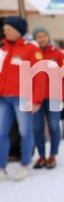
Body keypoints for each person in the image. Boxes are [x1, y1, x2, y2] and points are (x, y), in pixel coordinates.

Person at [0, 16, 46, 182]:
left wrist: (36, 100)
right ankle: (2, 168)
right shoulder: (2, 48)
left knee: (25, 131)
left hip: (23, 97)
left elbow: (40, 76)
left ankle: (25, 165)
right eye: (4, 29)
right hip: (3, 98)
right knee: (1, 132)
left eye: (8, 29)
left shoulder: (31, 49)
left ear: (18, 30)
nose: (5, 32)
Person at [31, 27, 64, 169]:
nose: (42, 39)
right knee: (37, 127)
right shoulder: (32, 54)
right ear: (35, 39)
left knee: (53, 126)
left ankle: (52, 155)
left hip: (54, 96)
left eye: (44, 36)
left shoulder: (58, 53)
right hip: (36, 98)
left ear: (48, 37)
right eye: (39, 36)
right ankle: (41, 156)